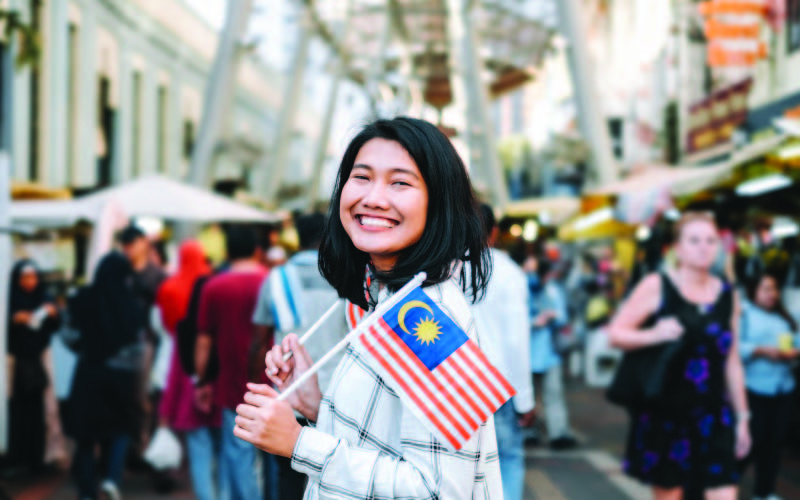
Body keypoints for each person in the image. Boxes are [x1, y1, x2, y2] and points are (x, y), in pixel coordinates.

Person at [233, 117, 502, 499]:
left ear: (439, 202)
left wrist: (299, 444)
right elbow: (386, 443)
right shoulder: (384, 297)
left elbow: (440, 491)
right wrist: (314, 403)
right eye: (361, 177)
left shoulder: (425, 320)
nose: (373, 198)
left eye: (400, 182)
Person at [607, 212, 751, 500]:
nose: (704, 247)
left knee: (724, 491)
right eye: (694, 240)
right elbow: (615, 334)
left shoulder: (728, 294)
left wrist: (743, 417)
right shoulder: (658, 286)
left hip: (713, 414)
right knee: (670, 493)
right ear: (678, 248)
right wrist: (654, 335)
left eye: (711, 240)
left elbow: (731, 360)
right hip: (666, 414)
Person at [251, 213, 347, 500]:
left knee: (287, 478)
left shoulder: (277, 278)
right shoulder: (345, 277)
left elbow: (259, 341)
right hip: (336, 398)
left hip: (288, 395)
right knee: (333, 476)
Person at [194, 225, 267, 500]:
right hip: (274, 380)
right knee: (275, 458)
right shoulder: (270, 281)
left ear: (226, 251)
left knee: (239, 454)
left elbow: (204, 342)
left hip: (232, 384)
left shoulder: (215, 286)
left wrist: (201, 381)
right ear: (257, 250)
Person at [69, 252, 145, 500]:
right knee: (120, 429)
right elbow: (139, 346)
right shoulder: (132, 303)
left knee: (86, 435)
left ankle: (87, 490)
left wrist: (86, 348)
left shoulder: (81, 298)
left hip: (88, 372)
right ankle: (112, 478)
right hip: (121, 376)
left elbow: (67, 334)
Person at [472, 204, 535, 500]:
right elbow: (516, 342)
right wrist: (525, 399)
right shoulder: (508, 272)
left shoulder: (440, 269)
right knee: (507, 458)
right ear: (493, 233)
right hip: (497, 387)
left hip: (451, 385)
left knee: (462, 467)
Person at [156, 241, 224, 500]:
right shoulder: (216, 290)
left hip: (188, 388)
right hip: (218, 389)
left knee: (199, 454)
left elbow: (174, 373)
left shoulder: (169, 289)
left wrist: (165, 412)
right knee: (226, 454)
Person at [738, 272, 800, 500]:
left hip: (782, 388)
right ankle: (728, 485)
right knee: (751, 442)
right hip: (753, 388)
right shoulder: (744, 313)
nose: (771, 294)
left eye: (774, 288)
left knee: (774, 444)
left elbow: (797, 340)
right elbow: (733, 347)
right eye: (765, 289)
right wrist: (761, 350)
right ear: (753, 290)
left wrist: (793, 352)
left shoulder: (785, 317)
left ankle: (765, 492)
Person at [3, 260, 62, 474]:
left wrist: (53, 313)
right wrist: (12, 319)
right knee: (17, 411)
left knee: (40, 412)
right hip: (14, 362)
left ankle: (38, 457)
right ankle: (15, 455)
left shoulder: (44, 298)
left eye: (33, 277)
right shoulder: (8, 299)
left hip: (38, 361)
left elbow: (55, 325)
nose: (30, 282)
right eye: (24, 278)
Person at [525, 256, 578, 450]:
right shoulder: (524, 288)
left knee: (552, 394)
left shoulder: (552, 290)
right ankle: (529, 432)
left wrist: (550, 317)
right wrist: (534, 321)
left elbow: (562, 317)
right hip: (528, 352)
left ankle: (557, 433)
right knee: (528, 396)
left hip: (548, 353)